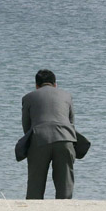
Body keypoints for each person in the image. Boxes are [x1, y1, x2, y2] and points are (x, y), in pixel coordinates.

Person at [21, 69, 78, 199]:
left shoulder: (28, 97)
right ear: (55, 84)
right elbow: (71, 123)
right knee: (65, 186)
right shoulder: (67, 96)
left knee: (35, 186)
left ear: (36, 86)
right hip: (65, 138)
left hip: (39, 139)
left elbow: (26, 126)